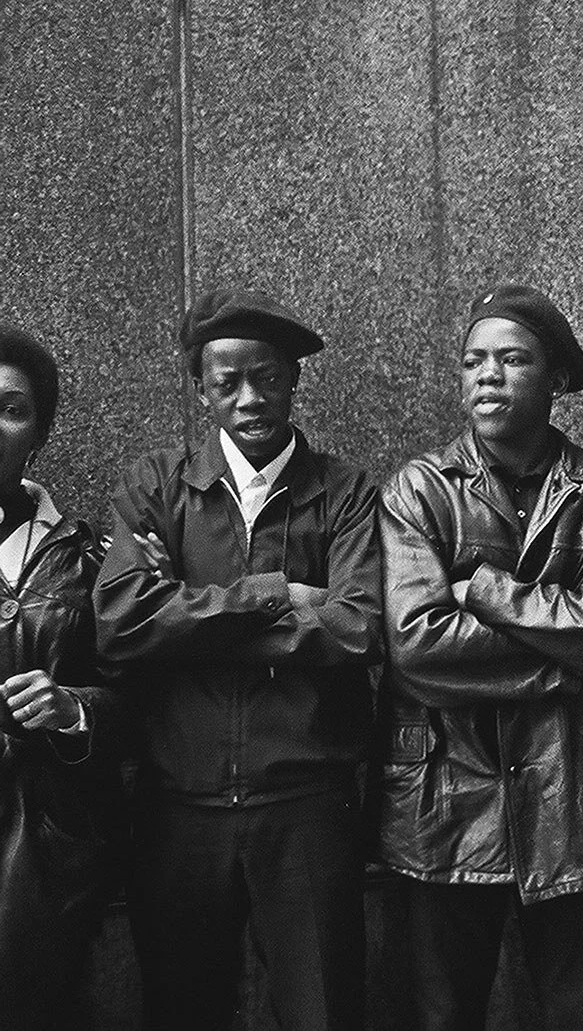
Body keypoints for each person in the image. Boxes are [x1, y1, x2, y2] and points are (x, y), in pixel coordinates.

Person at [96, 292, 382, 1031]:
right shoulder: (156, 486)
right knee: (182, 1010)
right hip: (178, 809)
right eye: (227, 383)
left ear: (294, 379)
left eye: (267, 377)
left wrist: (186, 614)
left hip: (307, 808)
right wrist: (275, 593)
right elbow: (121, 623)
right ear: (201, 389)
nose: (250, 398)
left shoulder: (346, 493)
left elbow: (356, 629)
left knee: (323, 1011)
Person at [378, 284, 583, 1031]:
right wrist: (568, 662)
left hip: (577, 790)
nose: (488, 376)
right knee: (446, 1010)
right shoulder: (420, 488)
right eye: (474, 362)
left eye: (512, 359)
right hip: (447, 793)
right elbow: (418, 644)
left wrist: (491, 592)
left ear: (557, 379)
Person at [0, 326, 122, 1028]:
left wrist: (73, 708)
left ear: (39, 432)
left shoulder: (87, 557)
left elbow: (143, 702)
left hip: (46, 848)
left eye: (12, 408)